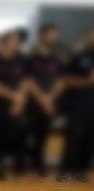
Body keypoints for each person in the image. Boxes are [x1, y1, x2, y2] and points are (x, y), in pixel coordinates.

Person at [0, 29, 30, 179]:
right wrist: (13, 96)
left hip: (17, 104)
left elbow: (26, 80)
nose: (15, 44)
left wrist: (20, 100)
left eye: (17, 41)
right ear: (5, 42)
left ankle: (7, 163)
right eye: (12, 41)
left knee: (18, 130)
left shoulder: (22, 60)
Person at [25, 23, 66, 176]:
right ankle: (27, 162)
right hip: (33, 102)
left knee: (44, 133)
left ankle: (39, 164)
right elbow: (27, 79)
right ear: (42, 35)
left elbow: (62, 80)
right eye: (50, 33)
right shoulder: (31, 55)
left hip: (51, 102)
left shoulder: (58, 56)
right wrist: (42, 98)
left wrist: (50, 98)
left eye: (55, 34)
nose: (53, 37)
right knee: (30, 133)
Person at [58, 27, 94, 182]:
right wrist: (87, 81)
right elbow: (66, 80)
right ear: (87, 37)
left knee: (89, 138)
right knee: (74, 137)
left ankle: (81, 171)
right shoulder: (78, 56)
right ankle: (66, 171)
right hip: (78, 104)